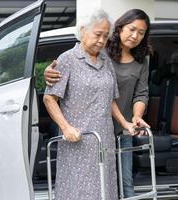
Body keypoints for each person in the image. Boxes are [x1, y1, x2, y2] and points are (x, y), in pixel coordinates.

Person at [44, 9, 151, 198]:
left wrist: (126, 123)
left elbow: (110, 99)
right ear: (83, 30)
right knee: (79, 190)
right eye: (98, 35)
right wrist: (66, 128)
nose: (101, 41)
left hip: (104, 138)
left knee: (105, 188)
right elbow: (50, 98)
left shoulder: (105, 61)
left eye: (105, 36)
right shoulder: (68, 59)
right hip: (79, 139)